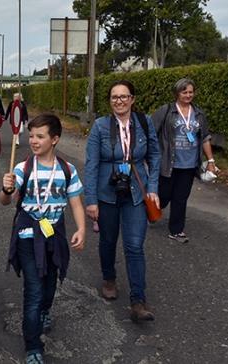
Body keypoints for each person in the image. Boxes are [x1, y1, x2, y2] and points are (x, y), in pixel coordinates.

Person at [0, 113, 85, 364]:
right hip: (28, 232)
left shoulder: (68, 170)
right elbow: (5, 201)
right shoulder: (22, 168)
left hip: (54, 232)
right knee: (34, 289)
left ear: (55, 139)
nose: (34, 141)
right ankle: (33, 345)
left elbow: (76, 204)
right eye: (31, 136)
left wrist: (80, 229)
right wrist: (6, 190)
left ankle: (45, 311)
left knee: (50, 284)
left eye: (40, 136)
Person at [84, 80, 161, 322]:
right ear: (110, 101)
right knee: (107, 240)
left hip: (136, 192)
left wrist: (153, 188)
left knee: (134, 246)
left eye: (124, 96)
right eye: (114, 97)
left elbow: (155, 155)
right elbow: (92, 164)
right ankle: (109, 277)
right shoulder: (100, 126)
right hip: (107, 193)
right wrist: (91, 200)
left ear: (132, 99)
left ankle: (138, 300)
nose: (119, 100)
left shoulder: (144, 122)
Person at [152, 78, 217, 244]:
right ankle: (152, 210)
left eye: (190, 92)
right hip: (168, 163)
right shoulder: (166, 111)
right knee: (164, 196)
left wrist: (210, 160)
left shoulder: (199, 114)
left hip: (189, 164)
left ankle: (176, 230)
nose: (188, 95)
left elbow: (204, 138)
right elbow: (151, 133)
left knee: (181, 198)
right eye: (184, 92)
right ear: (177, 93)